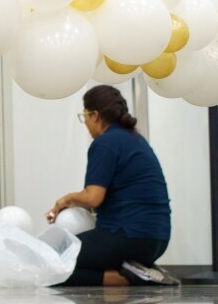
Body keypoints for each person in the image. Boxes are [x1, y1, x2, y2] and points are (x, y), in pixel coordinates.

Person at [46, 85, 177, 286]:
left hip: (128, 236)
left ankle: (115, 279)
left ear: (95, 115)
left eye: (85, 117)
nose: (86, 123)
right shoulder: (135, 139)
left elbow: (93, 197)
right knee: (76, 256)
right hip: (157, 239)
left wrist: (66, 199)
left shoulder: (105, 143)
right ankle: (138, 269)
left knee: (52, 260)